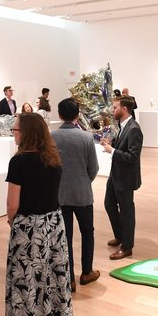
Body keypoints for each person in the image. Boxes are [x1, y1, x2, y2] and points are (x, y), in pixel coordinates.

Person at [5, 113, 72, 316]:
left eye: (15, 129)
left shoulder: (18, 162)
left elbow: (12, 204)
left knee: (27, 276)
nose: (13, 133)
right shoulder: (53, 158)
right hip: (54, 225)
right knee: (53, 273)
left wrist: (13, 222)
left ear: (27, 133)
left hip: (29, 228)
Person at [51, 98, 100, 293]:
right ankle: (86, 272)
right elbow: (93, 168)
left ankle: (69, 279)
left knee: (65, 237)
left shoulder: (51, 137)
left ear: (59, 114)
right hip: (82, 194)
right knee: (87, 232)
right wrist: (83, 181)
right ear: (77, 114)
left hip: (60, 195)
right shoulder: (86, 138)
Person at [101, 95, 143, 260]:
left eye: (115, 107)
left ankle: (127, 246)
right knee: (109, 204)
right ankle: (120, 235)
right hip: (115, 175)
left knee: (127, 212)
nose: (113, 110)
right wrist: (111, 144)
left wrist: (112, 150)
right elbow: (122, 147)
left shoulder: (134, 129)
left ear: (124, 109)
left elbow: (133, 157)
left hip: (125, 178)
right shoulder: (123, 125)